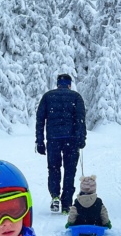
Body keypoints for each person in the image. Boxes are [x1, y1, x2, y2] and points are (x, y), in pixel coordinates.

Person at [35, 74, 87, 214]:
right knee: (70, 171)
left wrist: (39, 141)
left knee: (54, 168)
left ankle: (55, 196)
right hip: (71, 140)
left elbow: (40, 121)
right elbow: (80, 120)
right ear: (69, 84)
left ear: (58, 84)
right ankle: (67, 203)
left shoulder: (48, 97)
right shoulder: (76, 97)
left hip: (53, 140)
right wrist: (82, 138)